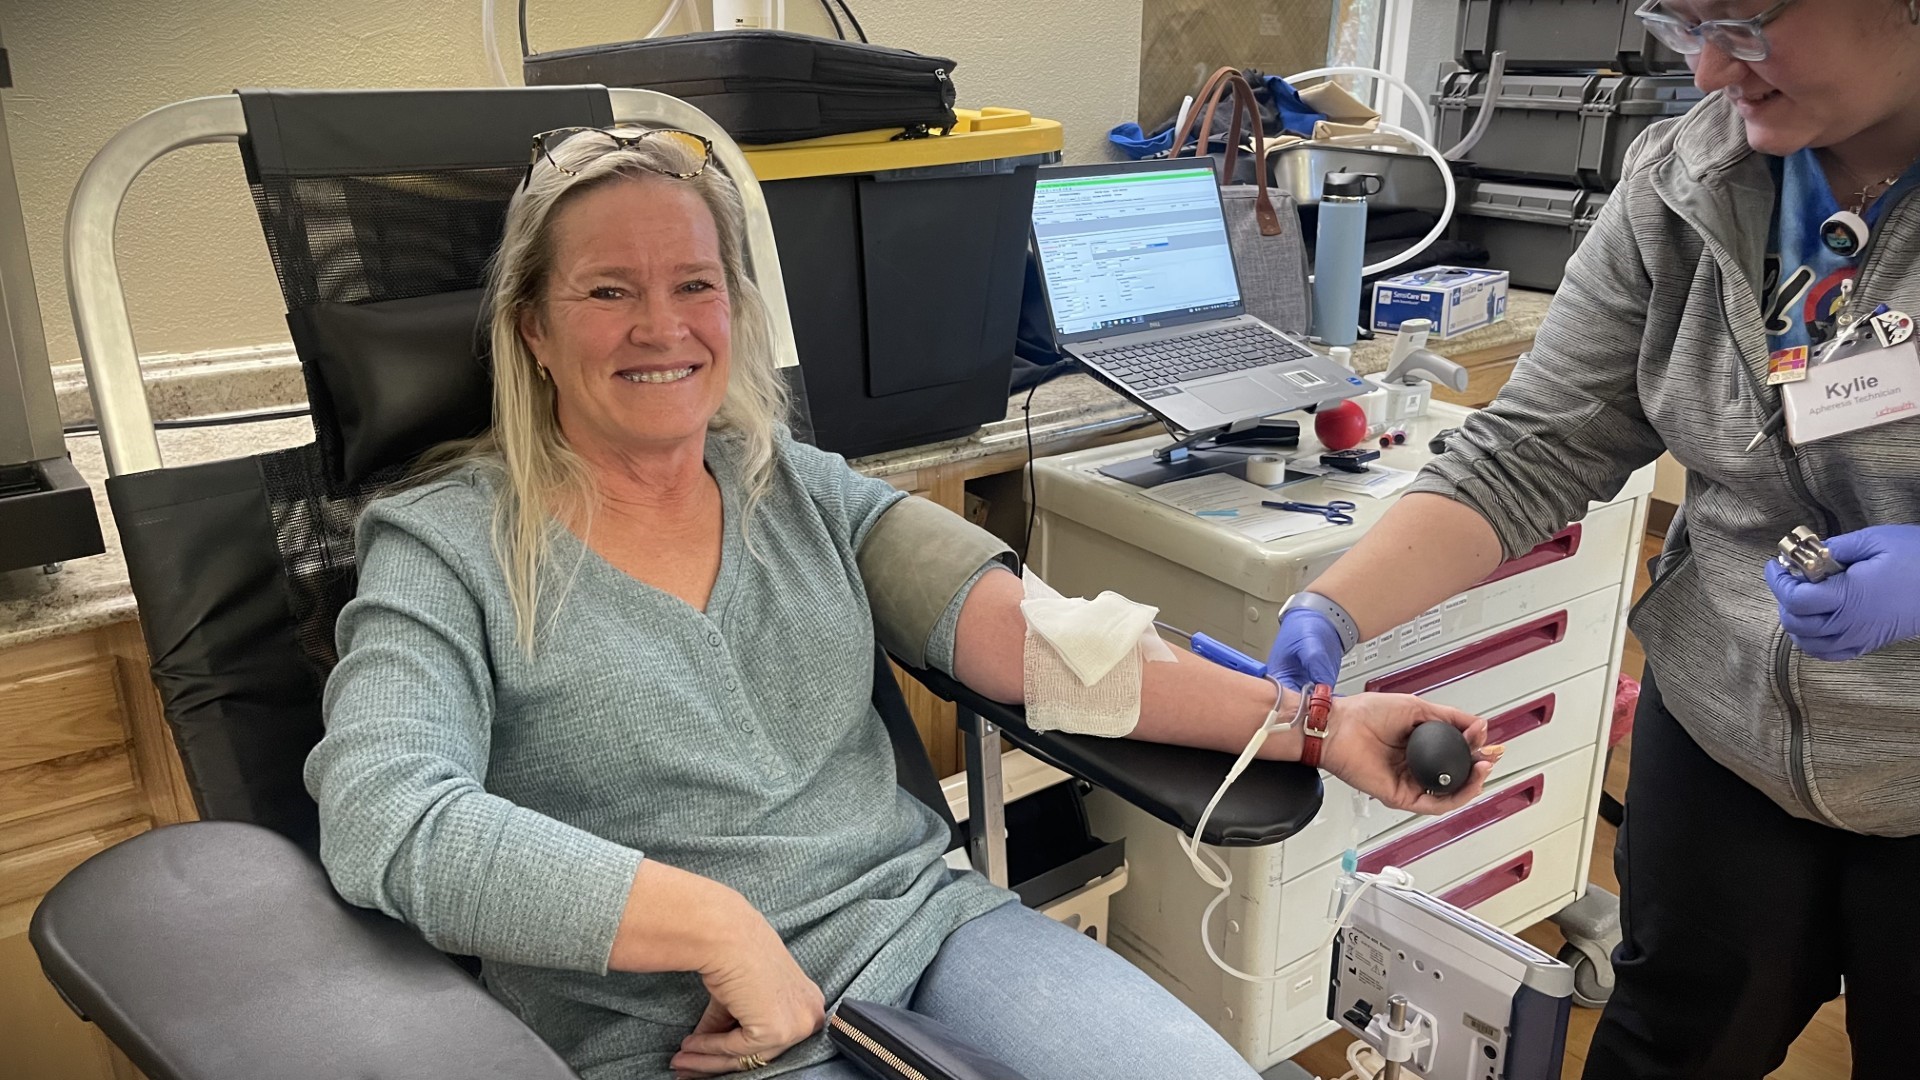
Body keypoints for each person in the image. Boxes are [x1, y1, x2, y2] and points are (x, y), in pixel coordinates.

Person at [304, 125, 1497, 1080]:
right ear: (534, 332)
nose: (662, 326)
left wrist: (1321, 725)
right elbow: (383, 813)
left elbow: (1057, 655)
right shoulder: (444, 545)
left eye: (694, 285)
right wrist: (719, 928)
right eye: (609, 292)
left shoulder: (799, 490)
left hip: (926, 932)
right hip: (684, 1033)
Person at [1266, 1, 1920, 1076]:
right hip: (1726, 737)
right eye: (1679, 21)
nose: (1710, 69)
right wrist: (1333, 608)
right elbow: (1534, 447)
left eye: (1747, 24)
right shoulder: (1683, 183)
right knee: (1670, 1038)